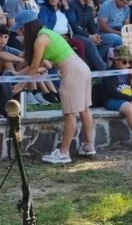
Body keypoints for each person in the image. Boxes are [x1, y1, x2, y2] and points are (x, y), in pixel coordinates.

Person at [20, 11, 95, 164]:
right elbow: (43, 63)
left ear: (26, 27)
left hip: (71, 72)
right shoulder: (47, 33)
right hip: (82, 68)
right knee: (84, 110)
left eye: (20, 29)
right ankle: (88, 145)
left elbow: (33, 66)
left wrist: (21, 84)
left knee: (70, 114)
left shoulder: (40, 40)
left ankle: (63, 153)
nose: (19, 33)